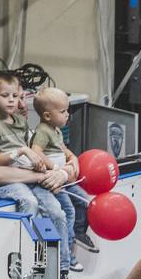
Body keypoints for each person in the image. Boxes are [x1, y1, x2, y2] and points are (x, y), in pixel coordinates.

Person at [0, 70, 77, 279]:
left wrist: (44, 165)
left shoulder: (22, 124)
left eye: (18, 96)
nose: (14, 101)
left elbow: (41, 153)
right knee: (30, 204)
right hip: (11, 182)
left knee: (58, 213)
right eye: (7, 96)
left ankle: (63, 268)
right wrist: (22, 152)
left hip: (30, 177)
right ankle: (35, 261)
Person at [30, 87, 98, 256]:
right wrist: (54, 168)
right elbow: (36, 151)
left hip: (64, 179)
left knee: (84, 200)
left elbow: (63, 149)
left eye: (67, 111)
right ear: (47, 116)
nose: (67, 115)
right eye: (63, 111)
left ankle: (78, 234)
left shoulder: (56, 130)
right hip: (53, 181)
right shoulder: (42, 131)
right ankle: (68, 251)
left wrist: (72, 158)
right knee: (69, 210)